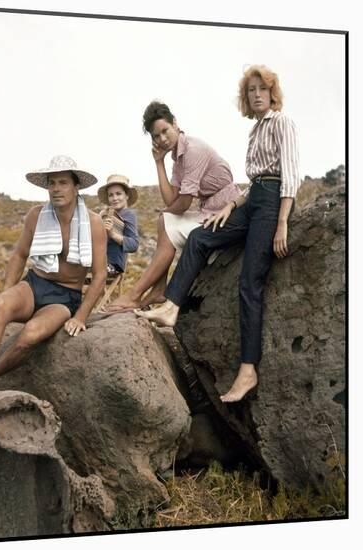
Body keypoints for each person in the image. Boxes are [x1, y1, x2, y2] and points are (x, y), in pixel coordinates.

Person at [137, 65, 299, 403]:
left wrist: (283, 221)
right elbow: (254, 181)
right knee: (199, 237)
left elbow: (290, 176)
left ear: (272, 93)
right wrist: (231, 206)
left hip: (271, 204)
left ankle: (248, 369)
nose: (256, 95)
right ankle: (171, 307)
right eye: (250, 90)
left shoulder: (282, 122)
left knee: (249, 282)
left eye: (262, 89)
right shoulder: (255, 131)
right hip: (251, 200)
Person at [0, 155, 107, 401]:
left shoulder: (93, 223)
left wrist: (81, 316)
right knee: (1, 305)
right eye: (51, 183)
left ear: (76, 187)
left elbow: (100, 275)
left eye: (63, 182)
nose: (56, 189)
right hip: (35, 284)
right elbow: (20, 255)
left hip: (64, 297)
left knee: (31, 334)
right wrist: (7, 291)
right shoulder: (36, 215)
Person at [104, 101, 240, 312]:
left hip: (227, 212)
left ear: (175, 123)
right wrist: (159, 162)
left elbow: (183, 204)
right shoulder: (177, 158)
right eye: (156, 136)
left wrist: (166, 213)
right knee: (165, 218)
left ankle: (135, 294)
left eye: (164, 131)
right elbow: (171, 200)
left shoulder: (194, 150)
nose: (162, 139)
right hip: (208, 210)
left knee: (165, 218)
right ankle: (157, 288)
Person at [97, 174, 139, 275]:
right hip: (98, 260)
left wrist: (112, 234)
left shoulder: (129, 214)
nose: (115, 198)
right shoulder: (105, 214)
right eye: (111, 195)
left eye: (118, 194)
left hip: (113, 265)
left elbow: (134, 244)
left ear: (127, 195)